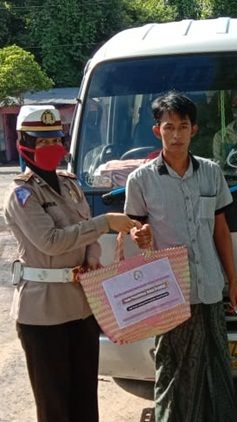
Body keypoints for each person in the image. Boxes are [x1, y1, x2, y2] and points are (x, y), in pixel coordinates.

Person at [3, 105, 139, 422]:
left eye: (55, 140)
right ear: (25, 142)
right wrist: (105, 223)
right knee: (54, 405)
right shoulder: (21, 194)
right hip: (43, 312)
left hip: (81, 306)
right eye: (42, 142)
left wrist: (93, 257)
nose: (51, 148)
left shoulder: (69, 183)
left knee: (84, 399)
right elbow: (52, 241)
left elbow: (85, 231)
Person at [124, 91, 237, 421]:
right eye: (168, 127)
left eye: (183, 126)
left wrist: (233, 280)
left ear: (195, 130)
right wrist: (139, 235)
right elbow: (134, 229)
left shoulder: (211, 173)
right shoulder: (141, 180)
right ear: (157, 131)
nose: (176, 135)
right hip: (169, 294)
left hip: (208, 288)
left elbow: (220, 229)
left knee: (215, 365)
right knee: (173, 371)